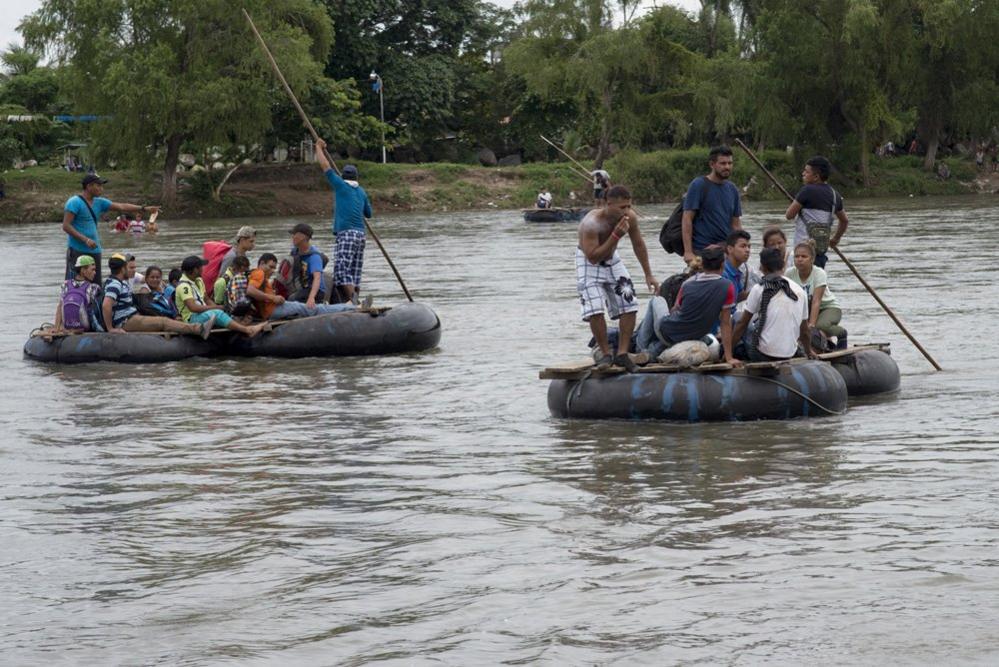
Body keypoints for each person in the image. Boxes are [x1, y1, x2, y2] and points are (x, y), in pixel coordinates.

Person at [576, 184, 658, 371]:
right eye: (622, 208)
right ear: (608, 204)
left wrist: (648, 274)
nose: (627, 211)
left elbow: (638, 244)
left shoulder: (630, 218)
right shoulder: (591, 224)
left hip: (612, 259)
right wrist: (615, 236)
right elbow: (593, 257)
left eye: (629, 206)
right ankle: (605, 354)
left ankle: (621, 354)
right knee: (594, 308)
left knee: (630, 303)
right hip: (589, 262)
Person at [635, 246, 741, 366]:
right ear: (722, 265)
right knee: (703, 337)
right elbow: (725, 323)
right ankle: (649, 351)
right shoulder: (728, 286)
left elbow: (675, 309)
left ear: (703, 265)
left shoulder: (687, 284)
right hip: (695, 336)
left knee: (657, 299)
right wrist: (729, 357)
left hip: (668, 332)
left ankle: (640, 348)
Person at [62, 173, 159, 284]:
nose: (101, 189)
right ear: (89, 186)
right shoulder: (74, 202)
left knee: (96, 286)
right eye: (98, 185)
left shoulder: (99, 202)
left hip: (95, 250)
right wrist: (86, 240)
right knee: (74, 284)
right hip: (77, 250)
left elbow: (122, 206)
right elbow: (66, 226)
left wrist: (144, 208)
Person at [315, 139, 372, 304]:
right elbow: (368, 214)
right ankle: (355, 299)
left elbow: (326, 166)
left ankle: (354, 302)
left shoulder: (341, 185)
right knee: (354, 271)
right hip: (361, 235)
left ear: (343, 177)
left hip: (346, 233)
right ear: (356, 177)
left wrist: (318, 147)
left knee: (341, 271)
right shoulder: (361, 192)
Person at [733, 247, 815, 362]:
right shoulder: (800, 291)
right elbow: (804, 330)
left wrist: (726, 355)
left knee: (737, 318)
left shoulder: (759, 288)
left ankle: (732, 355)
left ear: (762, 267)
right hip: (789, 353)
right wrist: (809, 351)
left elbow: (742, 324)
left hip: (762, 354)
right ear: (782, 266)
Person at [102, 254, 212, 337]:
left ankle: (183, 327)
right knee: (163, 321)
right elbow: (106, 305)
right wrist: (111, 329)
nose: (132, 271)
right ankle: (198, 329)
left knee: (161, 319)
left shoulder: (120, 282)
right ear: (122, 269)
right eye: (128, 267)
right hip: (125, 321)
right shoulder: (115, 284)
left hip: (131, 316)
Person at [174, 255, 269, 337]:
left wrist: (219, 308)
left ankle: (238, 326)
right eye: (201, 267)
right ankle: (248, 330)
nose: (203, 269)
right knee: (217, 313)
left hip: (202, 314)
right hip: (192, 318)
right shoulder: (183, 286)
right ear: (195, 270)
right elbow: (193, 308)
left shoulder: (198, 281)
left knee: (226, 312)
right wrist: (216, 308)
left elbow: (206, 299)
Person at [681, 146, 743, 264]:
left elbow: (736, 224)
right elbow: (687, 218)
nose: (727, 167)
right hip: (703, 251)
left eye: (730, 163)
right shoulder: (698, 185)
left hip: (726, 251)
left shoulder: (732, 189)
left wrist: (742, 246)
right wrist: (688, 251)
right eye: (723, 163)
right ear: (712, 164)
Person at [784, 156, 849, 268]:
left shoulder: (806, 190)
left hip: (802, 254)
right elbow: (844, 221)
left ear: (816, 177)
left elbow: (789, 215)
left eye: (806, 171)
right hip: (819, 255)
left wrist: (797, 204)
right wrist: (835, 239)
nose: (803, 173)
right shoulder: (835, 195)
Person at [247, 253, 356, 320]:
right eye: (270, 267)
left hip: (271, 310)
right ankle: (349, 307)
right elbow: (250, 290)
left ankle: (346, 306)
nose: (272, 271)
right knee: (314, 309)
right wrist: (273, 298)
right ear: (261, 263)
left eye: (274, 268)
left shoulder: (257, 276)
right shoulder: (259, 273)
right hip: (273, 310)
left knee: (307, 308)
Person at [785, 241, 848, 349]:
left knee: (820, 327)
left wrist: (812, 325)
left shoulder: (819, 273)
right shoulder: (789, 273)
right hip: (806, 308)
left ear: (812, 259)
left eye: (804, 256)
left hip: (828, 308)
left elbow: (816, 301)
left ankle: (842, 334)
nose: (800, 259)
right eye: (797, 256)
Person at [51, 255, 102, 333]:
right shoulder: (94, 287)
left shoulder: (65, 284)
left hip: (67, 326)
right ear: (83, 270)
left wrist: (56, 328)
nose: (95, 273)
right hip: (85, 326)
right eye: (92, 270)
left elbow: (60, 307)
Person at [284, 222, 328, 307]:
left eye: (294, 234)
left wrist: (311, 298)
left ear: (303, 237)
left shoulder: (314, 257)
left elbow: (317, 278)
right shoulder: (295, 251)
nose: (292, 237)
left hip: (315, 290)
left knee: (291, 299)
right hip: (302, 286)